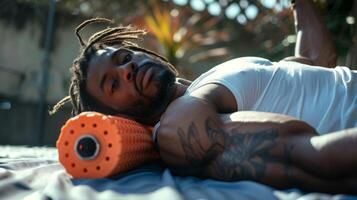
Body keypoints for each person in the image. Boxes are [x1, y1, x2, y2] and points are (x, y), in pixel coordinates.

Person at [51, 0, 357, 193]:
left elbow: (316, 64)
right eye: (113, 84)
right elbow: (313, 159)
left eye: (122, 57)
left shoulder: (205, 85)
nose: (127, 69)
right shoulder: (180, 126)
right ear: (118, 118)